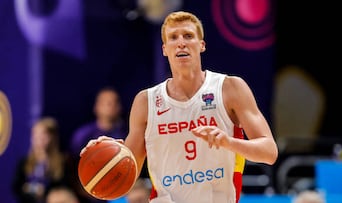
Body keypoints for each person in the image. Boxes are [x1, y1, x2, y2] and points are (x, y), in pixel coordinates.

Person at [81, 11, 278, 203]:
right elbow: (128, 169)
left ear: (201, 45)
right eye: (173, 37)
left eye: (188, 36)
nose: (181, 42)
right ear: (165, 49)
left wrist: (229, 142)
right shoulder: (146, 102)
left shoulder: (230, 88)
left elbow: (269, 152)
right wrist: (107, 152)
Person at [12, 117, 70, 203]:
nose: (39, 139)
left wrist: (45, 191)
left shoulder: (62, 162)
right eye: (36, 135)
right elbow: (16, 187)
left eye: (44, 135)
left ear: (52, 137)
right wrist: (33, 191)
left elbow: (62, 187)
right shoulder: (24, 161)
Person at [70, 86, 127, 155]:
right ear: (96, 107)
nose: (112, 106)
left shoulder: (127, 133)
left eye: (115, 102)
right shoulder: (83, 135)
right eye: (107, 103)